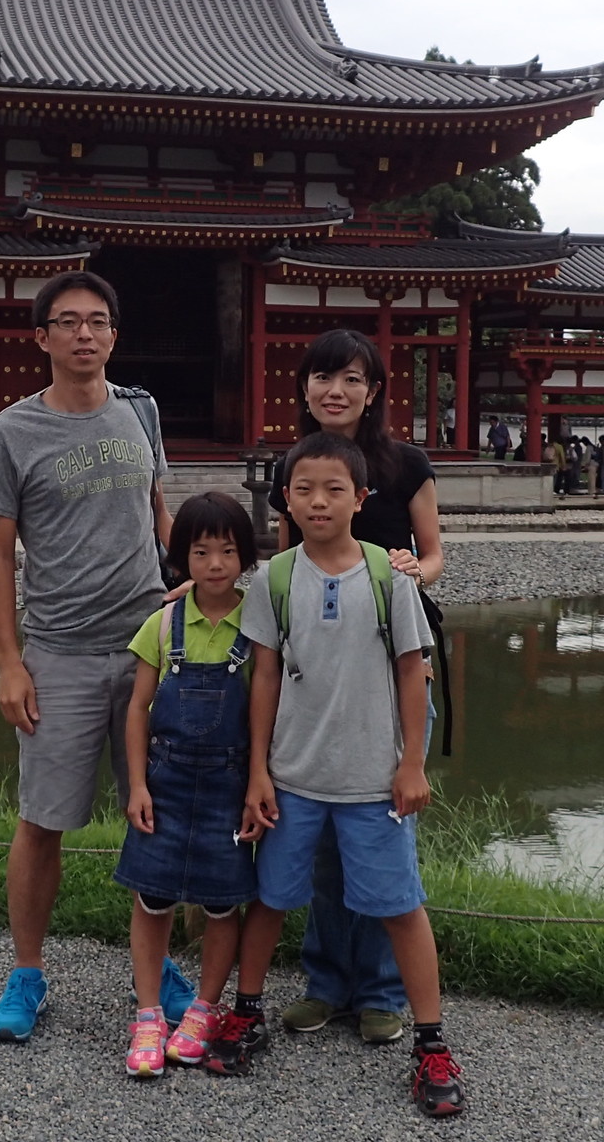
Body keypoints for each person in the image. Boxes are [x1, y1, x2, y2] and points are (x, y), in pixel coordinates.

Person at [208, 432, 465, 1118]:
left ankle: (433, 1043)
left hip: (372, 782)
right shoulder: (276, 578)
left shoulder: (389, 577)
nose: (318, 502)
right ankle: (248, 1010)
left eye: (333, 489)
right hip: (294, 777)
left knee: (401, 905)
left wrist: (410, 763)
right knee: (271, 896)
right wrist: (258, 771)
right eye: (303, 489)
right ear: (284, 499)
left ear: (361, 498)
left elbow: (414, 672)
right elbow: (263, 676)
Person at [0, 270, 181, 1043]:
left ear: (114, 335)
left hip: (148, 646)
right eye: (68, 322)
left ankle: (157, 968)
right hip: (58, 649)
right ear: (43, 338)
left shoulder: (139, 412)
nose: (85, 334)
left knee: (160, 812)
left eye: (98, 321)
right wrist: (8, 660)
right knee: (42, 820)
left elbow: (157, 510)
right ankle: (27, 972)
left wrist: (192, 584)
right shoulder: (11, 432)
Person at [264, 329, 444, 1050]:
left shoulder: (405, 463)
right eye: (320, 377)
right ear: (303, 388)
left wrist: (409, 575)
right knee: (320, 841)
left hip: (393, 662)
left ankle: (379, 991)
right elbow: (284, 568)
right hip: (317, 673)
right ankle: (325, 982)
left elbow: (435, 555)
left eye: (349, 377)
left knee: (381, 832)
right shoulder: (296, 463)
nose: (333, 390)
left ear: (373, 390)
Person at [115, 492, 260, 1078]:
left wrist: (258, 782)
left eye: (228, 551)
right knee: (152, 896)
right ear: (182, 559)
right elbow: (136, 710)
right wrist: (136, 787)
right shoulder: (163, 621)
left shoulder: (260, 621)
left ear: (245, 556)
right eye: (201, 552)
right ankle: (148, 1013)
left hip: (231, 781)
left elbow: (267, 713)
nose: (216, 564)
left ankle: (203, 1008)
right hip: (166, 777)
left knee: (224, 903)